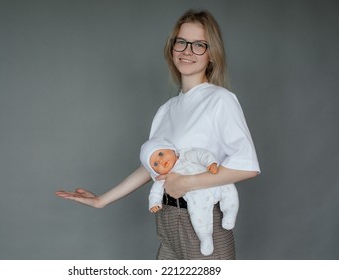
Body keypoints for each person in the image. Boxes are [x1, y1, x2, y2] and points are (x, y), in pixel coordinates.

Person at [55, 9, 260, 260]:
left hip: (202, 221)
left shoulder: (220, 100)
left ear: (211, 54)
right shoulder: (167, 110)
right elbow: (153, 167)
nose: (187, 51)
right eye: (181, 42)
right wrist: (102, 200)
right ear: (172, 47)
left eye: (198, 45)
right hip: (167, 219)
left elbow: (247, 166)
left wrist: (187, 183)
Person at [140, 137, 239, 256]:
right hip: (197, 196)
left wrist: (211, 163)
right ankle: (205, 237)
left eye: (161, 153)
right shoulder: (165, 177)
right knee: (198, 215)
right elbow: (155, 192)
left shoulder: (186, 154)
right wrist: (154, 203)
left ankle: (229, 214)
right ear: (155, 171)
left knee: (228, 186)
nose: (161, 161)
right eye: (155, 164)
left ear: (172, 150)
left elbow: (201, 155)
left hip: (212, 181)